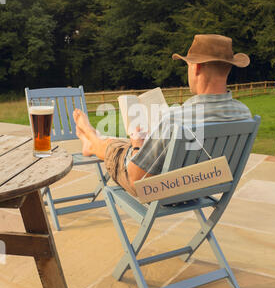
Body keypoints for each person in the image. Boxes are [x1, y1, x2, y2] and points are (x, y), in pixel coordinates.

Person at [73, 34, 252, 196]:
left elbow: (136, 180)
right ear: (228, 69)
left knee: (114, 148)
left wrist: (136, 147)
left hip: (162, 191)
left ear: (196, 67)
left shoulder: (177, 120)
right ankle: (95, 140)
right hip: (202, 188)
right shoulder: (245, 114)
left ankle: (91, 138)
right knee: (122, 142)